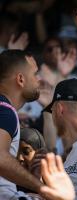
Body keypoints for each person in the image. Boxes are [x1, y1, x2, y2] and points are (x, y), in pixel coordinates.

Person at [0, 49, 44, 199]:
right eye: (35, 74)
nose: (39, 80)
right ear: (20, 79)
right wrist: (42, 188)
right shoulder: (5, 111)